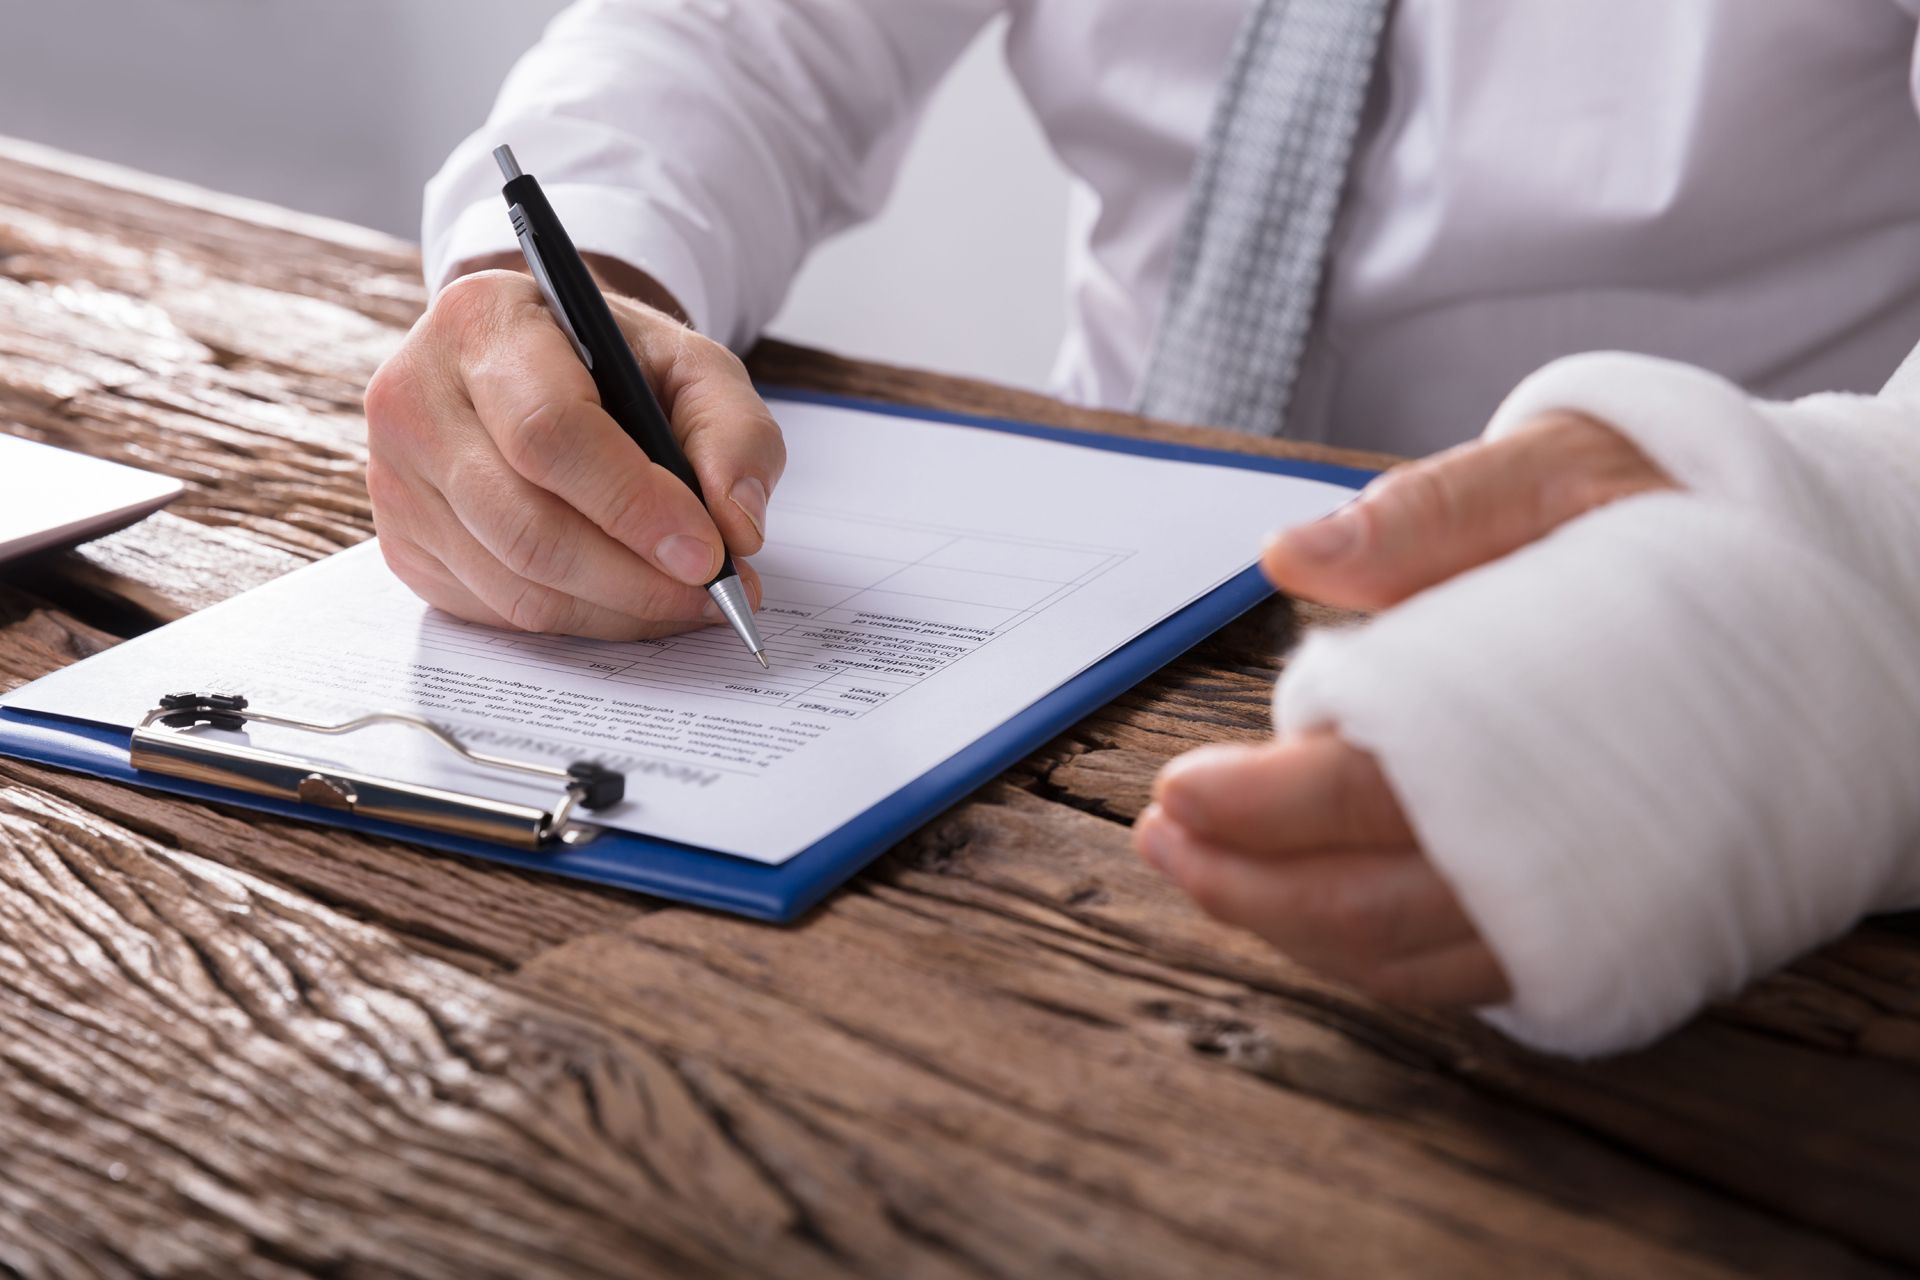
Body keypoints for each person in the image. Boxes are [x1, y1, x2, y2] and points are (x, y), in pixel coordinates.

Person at [364, 1, 1920, 1056]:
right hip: (1074, 599)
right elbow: (735, 37)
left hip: (1666, 644)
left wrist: (1835, 597)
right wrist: (587, 299)